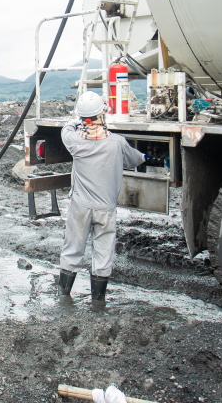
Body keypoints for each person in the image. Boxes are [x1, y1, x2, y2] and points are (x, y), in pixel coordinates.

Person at [59, 91, 146, 303]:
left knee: (72, 249)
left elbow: (66, 128)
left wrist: (76, 118)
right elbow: (135, 161)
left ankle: (64, 295)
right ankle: (98, 300)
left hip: (80, 206)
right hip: (106, 209)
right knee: (103, 252)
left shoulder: (74, 142)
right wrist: (148, 157)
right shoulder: (117, 143)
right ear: (102, 114)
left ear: (83, 119)